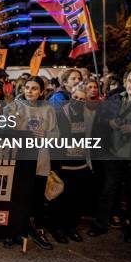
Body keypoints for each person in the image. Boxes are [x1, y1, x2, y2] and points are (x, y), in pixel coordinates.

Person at [3, 76, 58, 250]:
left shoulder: (48, 109)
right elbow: (4, 130)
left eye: (34, 88)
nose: (29, 91)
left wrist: (46, 136)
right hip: (20, 160)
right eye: (27, 87)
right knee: (17, 197)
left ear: (41, 92)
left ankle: (36, 230)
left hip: (40, 160)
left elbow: (56, 135)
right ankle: (14, 232)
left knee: (36, 198)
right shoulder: (14, 107)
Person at [89, 70, 131, 243]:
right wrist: (109, 123)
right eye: (130, 80)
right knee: (108, 191)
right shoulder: (115, 99)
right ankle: (101, 224)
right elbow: (101, 120)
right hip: (113, 154)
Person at [50, 84, 95, 244]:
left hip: (81, 164)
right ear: (71, 96)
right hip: (63, 164)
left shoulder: (89, 115)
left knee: (76, 199)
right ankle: (57, 228)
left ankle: (71, 227)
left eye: (82, 99)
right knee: (60, 198)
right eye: (76, 97)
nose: (78, 101)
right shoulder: (59, 112)